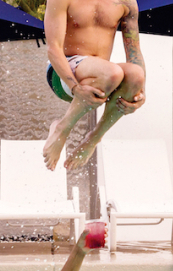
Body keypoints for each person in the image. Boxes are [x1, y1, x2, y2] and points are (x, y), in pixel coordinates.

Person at [42, 0, 146, 170]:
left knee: (135, 75)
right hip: (63, 73)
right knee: (113, 72)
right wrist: (75, 87)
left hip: (101, 77)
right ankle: (62, 128)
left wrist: (140, 92)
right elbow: (54, 49)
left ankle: (93, 139)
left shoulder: (126, 2)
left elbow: (134, 51)